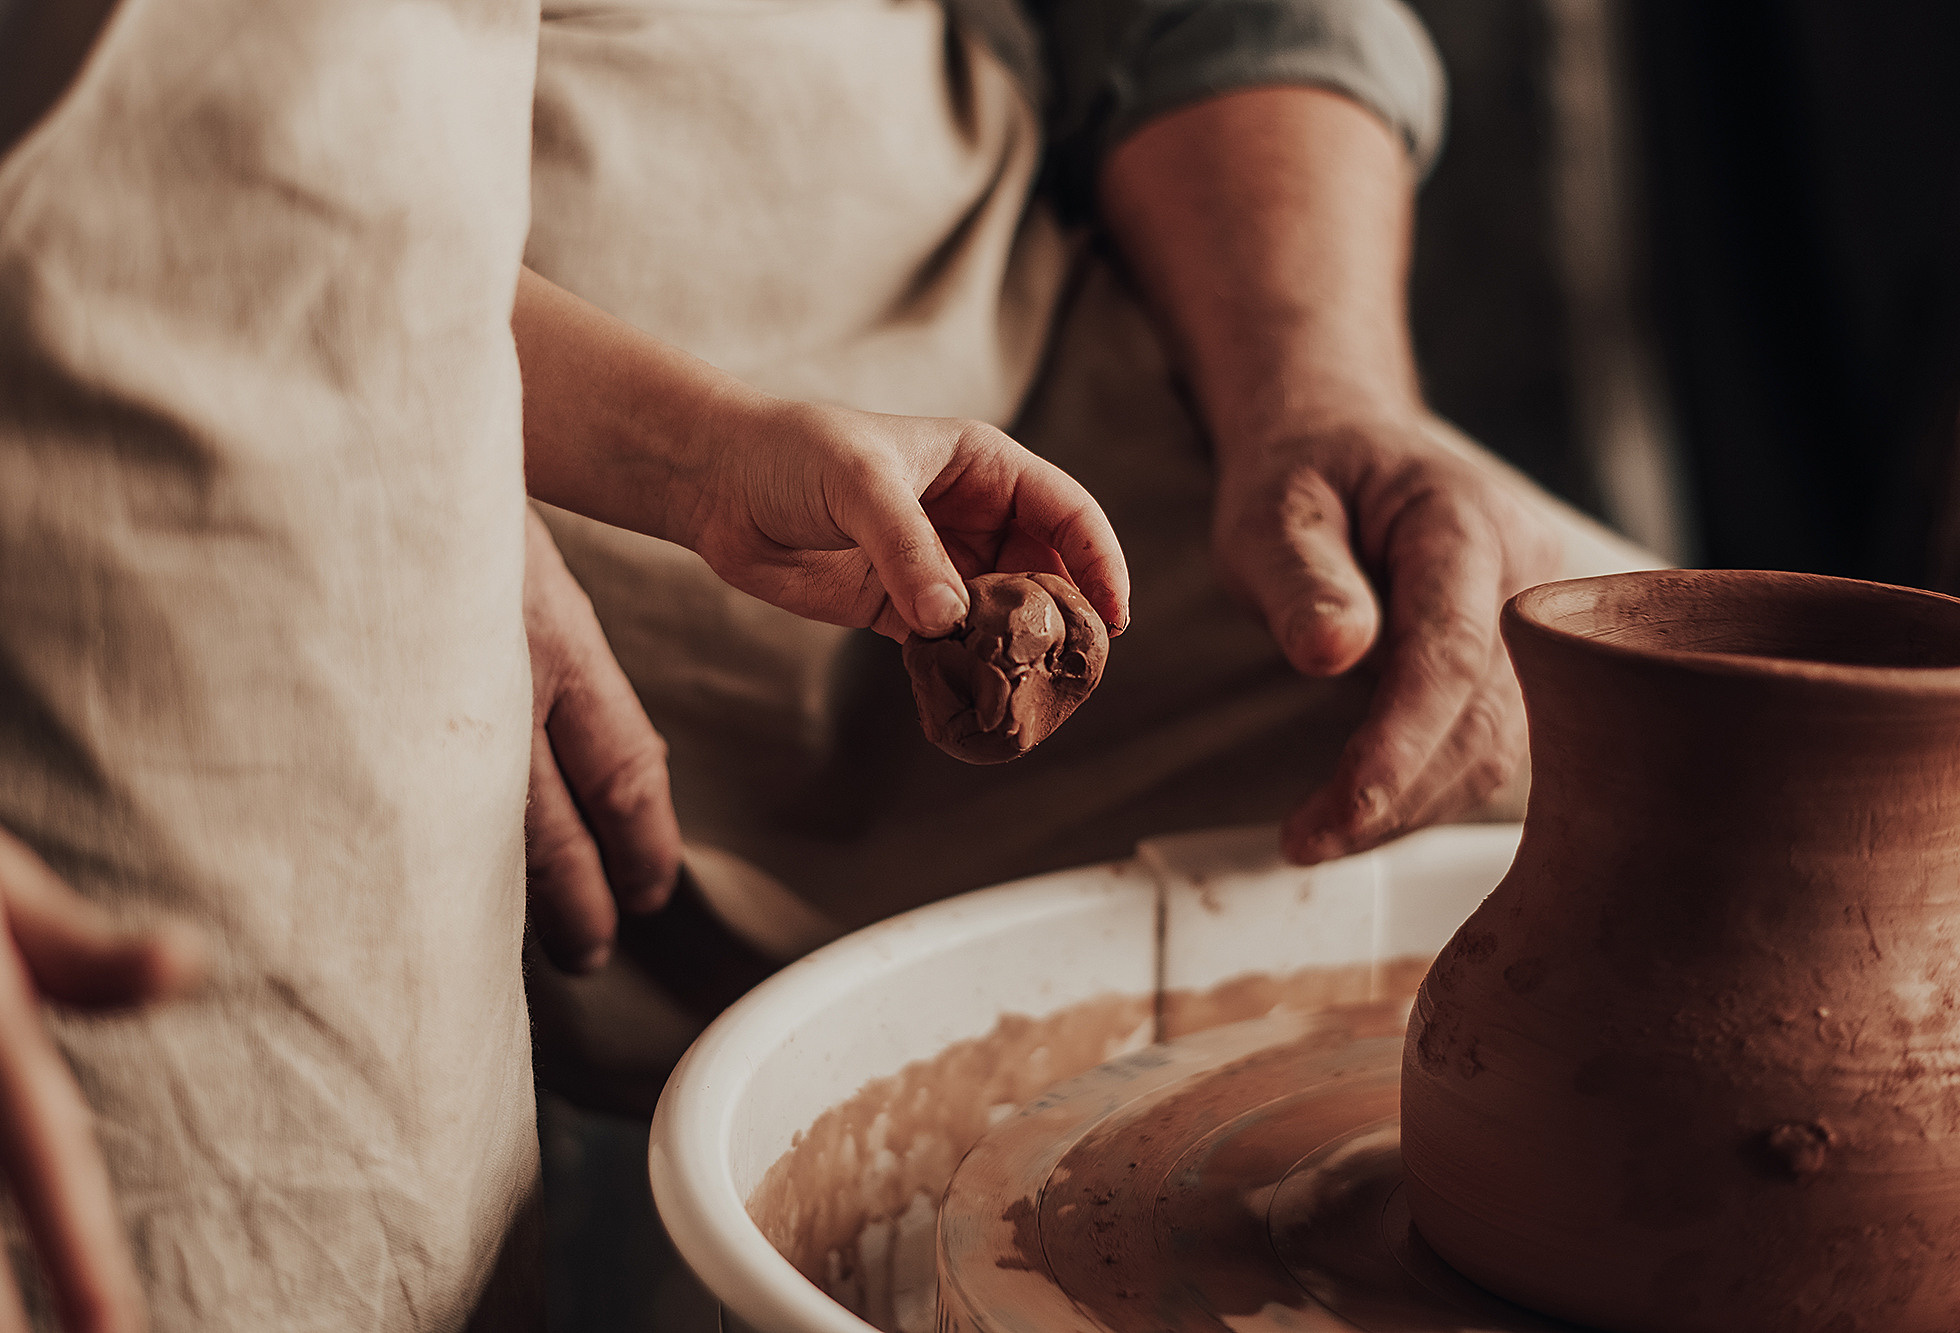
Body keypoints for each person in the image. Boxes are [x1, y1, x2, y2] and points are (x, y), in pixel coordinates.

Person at [0, 4, 1126, 1331]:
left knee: (408, 1261)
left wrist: (701, 457)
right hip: (49, 636)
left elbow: (330, 191)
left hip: (337, 570)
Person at [516, 0, 1660, 1099]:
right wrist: (420, 482)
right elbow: (340, 219)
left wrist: (1315, 396)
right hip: (473, 398)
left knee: (1627, 748)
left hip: (1005, 383)